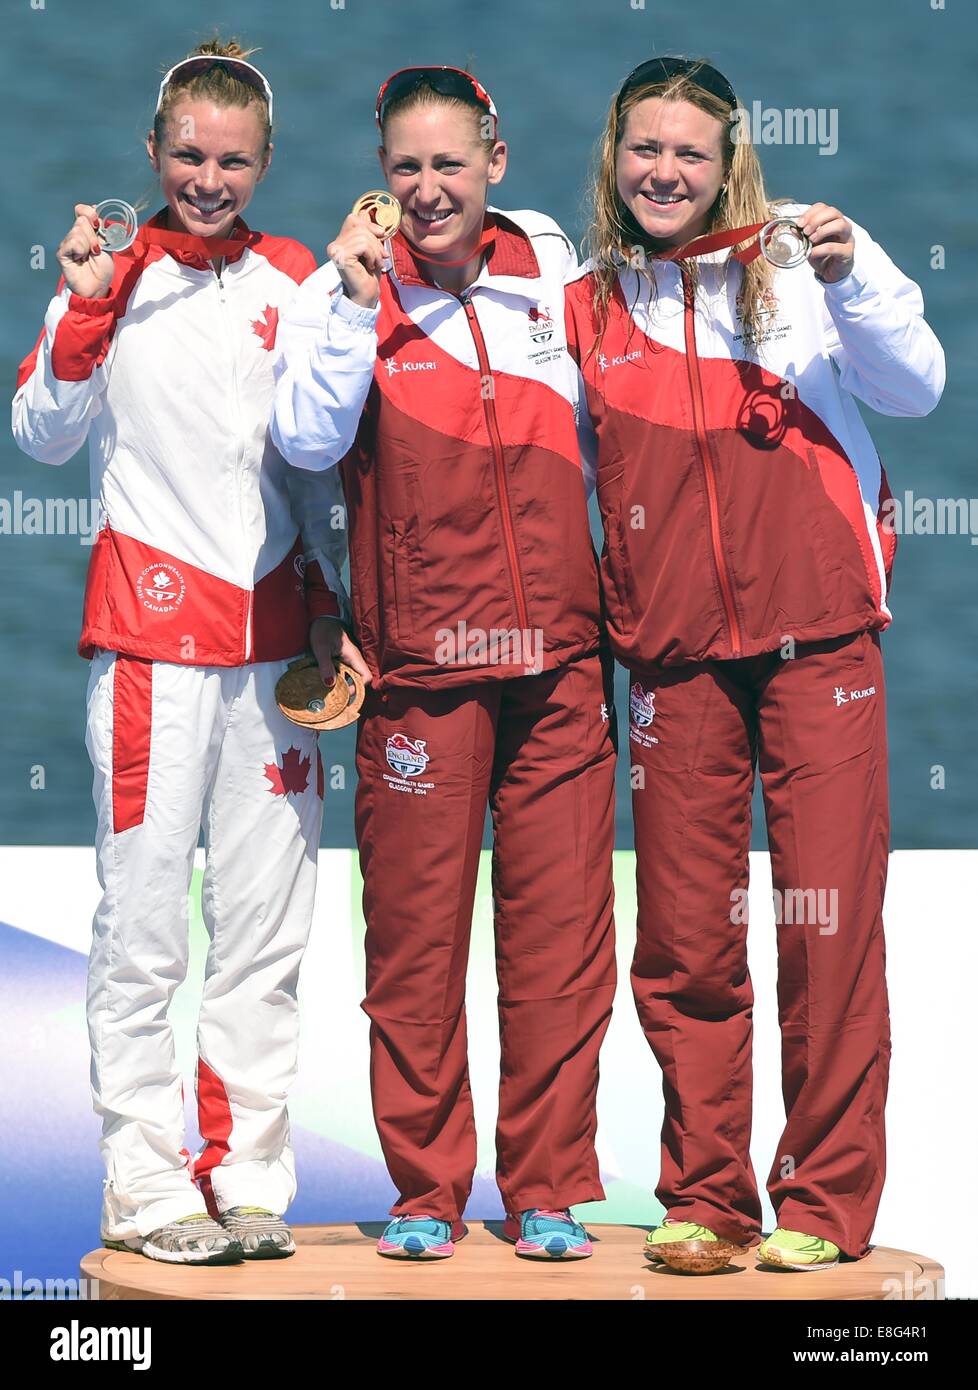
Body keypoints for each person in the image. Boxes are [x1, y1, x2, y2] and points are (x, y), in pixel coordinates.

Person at [563, 56, 945, 1271]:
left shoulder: (798, 271)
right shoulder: (586, 305)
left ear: (729, 158)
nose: (663, 172)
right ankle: (708, 1197)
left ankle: (825, 1206)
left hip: (818, 642)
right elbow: (574, 482)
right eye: (643, 150)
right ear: (614, 159)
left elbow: (919, 386)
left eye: (688, 151)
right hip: (672, 664)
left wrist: (858, 271)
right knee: (685, 941)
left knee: (824, 932)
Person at [12, 39, 365, 1265]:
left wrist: (335, 612)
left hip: (277, 652)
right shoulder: (111, 272)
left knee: (267, 930)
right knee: (147, 927)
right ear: (152, 155)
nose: (208, 178)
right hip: (151, 647)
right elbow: (43, 435)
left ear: (266, 162)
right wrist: (87, 297)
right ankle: (144, 1183)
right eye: (188, 156)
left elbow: (322, 464)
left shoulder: (297, 276)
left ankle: (248, 1174)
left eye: (233, 159)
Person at [272, 66, 617, 1261]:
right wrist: (354, 301)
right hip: (419, 669)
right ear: (382, 178)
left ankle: (549, 1186)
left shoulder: (559, 277)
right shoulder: (344, 292)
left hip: (563, 664)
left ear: (497, 162)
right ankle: (425, 1187)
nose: (428, 191)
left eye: (450, 165)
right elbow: (308, 440)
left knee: (561, 940)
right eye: (406, 169)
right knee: (415, 948)